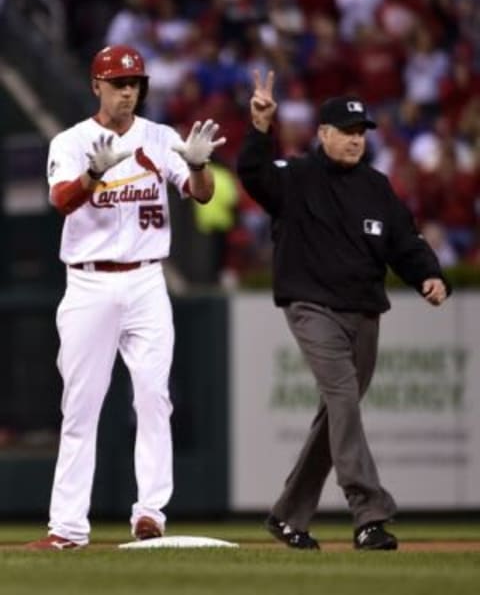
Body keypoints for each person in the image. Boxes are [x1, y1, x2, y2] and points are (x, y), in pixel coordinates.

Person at [237, 71, 451, 551]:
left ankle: (288, 516)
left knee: (334, 415)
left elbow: (405, 241)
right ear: (324, 134)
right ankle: (368, 513)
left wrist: (429, 275)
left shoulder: (376, 186)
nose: (356, 140)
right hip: (312, 308)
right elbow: (252, 176)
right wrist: (259, 128)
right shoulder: (294, 177)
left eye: (362, 133)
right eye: (348, 132)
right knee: (343, 398)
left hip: (364, 313)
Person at [27, 45, 225, 550]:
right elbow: (61, 202)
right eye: (118, 83)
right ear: (96, 85)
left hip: (146, 279)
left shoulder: (159, 138)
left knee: (154, 398)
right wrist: (94, 174)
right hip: (89, 282)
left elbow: (200, 193)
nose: (127, 91)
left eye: (134, 83)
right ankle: (67, 528)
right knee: (81, 406)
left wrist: (200, 167)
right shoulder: (72, 141)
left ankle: (150, 514)